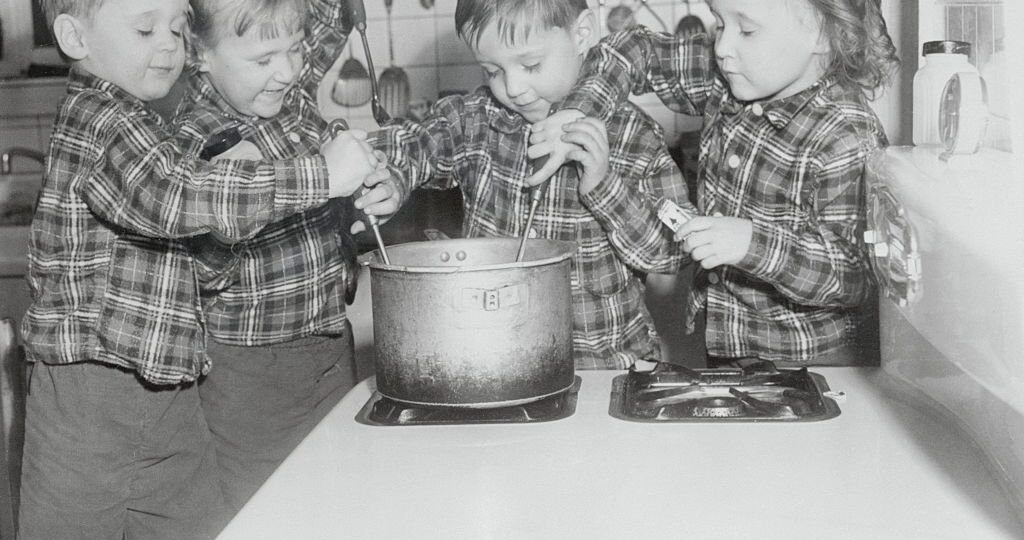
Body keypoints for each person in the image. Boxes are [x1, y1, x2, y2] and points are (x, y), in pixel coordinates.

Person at [19, 1, 385, 538]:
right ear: (75, 38)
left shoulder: (145, 120)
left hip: (170, 393)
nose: (169, 43)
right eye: (145, 28)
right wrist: (321, 176)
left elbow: (316, 20)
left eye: (177, 26)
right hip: (90, 398)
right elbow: (173, 195)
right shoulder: (100, 119)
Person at [528, 0, 899, 368]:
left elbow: (857, 276)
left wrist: (752, 244)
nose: (722, 48)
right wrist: (581, 110)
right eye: (720, 24)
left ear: (822, 32)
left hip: (818, 361)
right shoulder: (727, 76)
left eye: (747, 30)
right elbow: (631, 48)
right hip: (727, 343)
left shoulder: (847, 135)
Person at [371, 0, 693, 370]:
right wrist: (392, 174)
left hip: (607, 371)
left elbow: (673, 252)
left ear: (582, 34)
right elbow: (417, 142)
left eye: (531, 65)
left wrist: (604, 186)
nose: (513, 87)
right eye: (493, 71)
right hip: (497, 366)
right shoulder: (476, 120)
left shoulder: (632, 135)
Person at [179, 0, 402, 527]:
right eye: (263, 59)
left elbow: (325, 15)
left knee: (340, 506)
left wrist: (377, 186)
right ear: (199, 53)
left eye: (296, 49)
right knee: (269, 515)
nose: (288, 70)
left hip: (329, 343)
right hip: (253, 374)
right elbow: (204, 268)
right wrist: (240, 200)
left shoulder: (286, 97)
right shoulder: (203, 139)